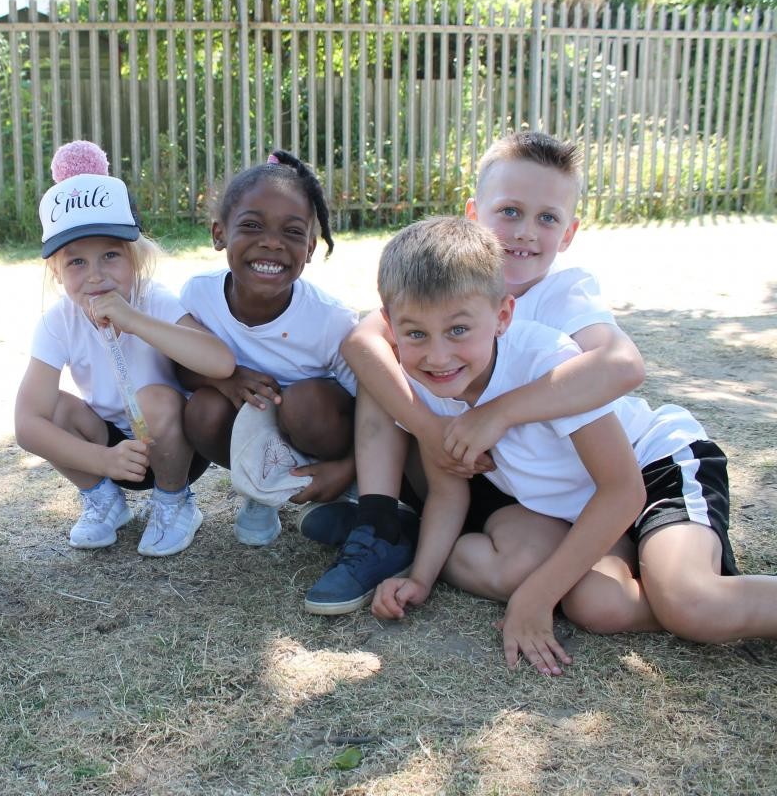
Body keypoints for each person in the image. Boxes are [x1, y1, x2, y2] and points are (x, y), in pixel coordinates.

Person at [369, 216, 777, 674]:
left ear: (502, 316)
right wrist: (420, 579)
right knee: (596, 606)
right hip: (587, 510)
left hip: (653, 469)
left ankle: (683, 589)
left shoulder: (547, 362)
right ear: (390, 325)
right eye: (416, 334)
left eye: (458, 330)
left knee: (693, 604)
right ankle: (661, 580)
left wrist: (536, 595)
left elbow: (623, 490)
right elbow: (447, 493)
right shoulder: (422, 383)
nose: (438, 355)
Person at [307, 131, 646, 615]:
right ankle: (379, 522)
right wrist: (433, 432)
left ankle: (412, 528)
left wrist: (497, 414)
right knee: (386, 367)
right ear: (474, 214)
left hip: (538, 474)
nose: (525, 232)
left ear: (568, 232)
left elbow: (623, 365)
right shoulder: (442, 277)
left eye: (547, 218)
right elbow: (362, 343)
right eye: (510, 211)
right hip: (468, 465)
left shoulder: (563, 297)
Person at [14, 141, 234, 557]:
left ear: (134, 258)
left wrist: (133, 320)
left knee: (153, 398)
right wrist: (102, 461)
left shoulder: (154, 300)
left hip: (174, 444)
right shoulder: (58, 321)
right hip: (109, 447)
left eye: (110, 255)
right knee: (53, 407)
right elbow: (27, 424)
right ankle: (103, 500)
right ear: (56, 271)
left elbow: (220, 362)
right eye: (76, 262)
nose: (96, 276)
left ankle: (174, 503)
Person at [178, 150, 362, 550]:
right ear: (219, 234)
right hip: (258, 430)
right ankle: (263, 488)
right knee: (203, 409)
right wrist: (224, 378)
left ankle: (347, 489)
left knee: (302, 403)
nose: (272, 243)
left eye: (292, 232)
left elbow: (375, 405)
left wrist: (348, 467)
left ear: (310, 248)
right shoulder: (199, 295)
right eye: (251, 225)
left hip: (321, 426)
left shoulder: (331, 321)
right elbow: (179, 368)